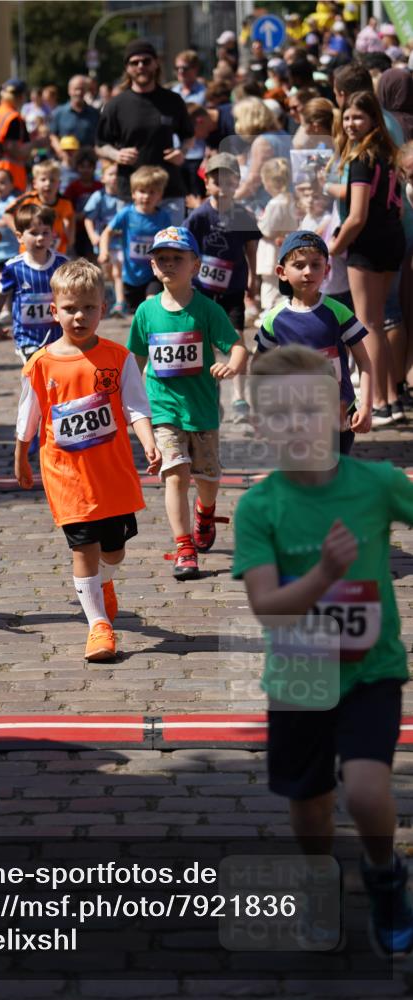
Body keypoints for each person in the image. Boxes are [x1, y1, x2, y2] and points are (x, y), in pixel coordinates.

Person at [233, 343, 413, 959]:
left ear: (342, 414)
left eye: (309, 411)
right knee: (309, 806)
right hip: (300, 671)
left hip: (372, 669)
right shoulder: (260, 508)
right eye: (278, 415)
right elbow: (266, 604)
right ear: (258, 428)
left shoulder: (379, 483)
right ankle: (317, 882)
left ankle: (385, 874)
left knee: (365, 791)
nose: (296, 426)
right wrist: (321, 576)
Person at [14, 259, 161, 662]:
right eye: (71, 308)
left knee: (114, 551)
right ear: (54, 311)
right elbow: (29, 417)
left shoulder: (118, 357)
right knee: (84, 550)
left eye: (89, 308)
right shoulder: (41, 364)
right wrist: (21, 457)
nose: (80, 316)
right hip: (66, 476)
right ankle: (99, 627)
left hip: (111, 475)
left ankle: (103, 583)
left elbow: (135, 406)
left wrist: (149, 443)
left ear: (103, 306)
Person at [127, 227, 247, 580]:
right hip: (163, 408)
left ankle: (205, 512)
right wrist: (127, 398)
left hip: (202, 410)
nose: (169, 264)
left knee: (207, 478)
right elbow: (134, 358)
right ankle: (184, 546)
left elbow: (237, 346)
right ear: (152, 265)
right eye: (162, 258)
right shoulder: (146, 311)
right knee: (175, 474)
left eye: (177, 258)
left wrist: (232, 365)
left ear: (195, 265)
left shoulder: (207, 310)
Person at [328, 89, 405, 427]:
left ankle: (377, 402)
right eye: (346, 117)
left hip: (369, 245)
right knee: (379, 322)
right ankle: (391, 399)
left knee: (367, 323)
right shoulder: (387, 152)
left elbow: (356, 216)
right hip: (391, 240)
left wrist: (330, 249)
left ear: (374, 118)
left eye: (357, 117)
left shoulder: (362, 159)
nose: (350, 123)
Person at [257, 230, 372, 454]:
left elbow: (365, 363)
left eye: (316, 265)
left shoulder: (339, 312)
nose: (308, 272)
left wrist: (366, 406)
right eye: (299, 265)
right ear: (281, 272)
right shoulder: (274, 318)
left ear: (327, 270)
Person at [183, 152, 260, 424]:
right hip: (203, 291)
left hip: (233, 291)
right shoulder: (200, 215)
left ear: (237, 182)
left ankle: (239, 397)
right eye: (216, 179)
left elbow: (251, 247)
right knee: (206, 346)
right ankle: (212, 397)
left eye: (228, 179)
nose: (222, 184)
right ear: (207, 184)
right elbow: (187, 245)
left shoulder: (244, 215)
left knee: (236, 341)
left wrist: (254, 278)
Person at [96, 39, 192, 223]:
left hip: (169, 191)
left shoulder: (173, 100)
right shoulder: (115, 105)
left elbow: (188, 135)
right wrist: (116, 154)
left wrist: (182, 152)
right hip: (131, 194)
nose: (141, 66)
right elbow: (100, 145)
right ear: (127, 68)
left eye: (146, 61)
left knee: (173, 249)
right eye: (135, 62)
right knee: (135, 252)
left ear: (156, 64)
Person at [0, 203, 67, 361]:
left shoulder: (62, 264)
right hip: (27, 339)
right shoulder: (14, 268)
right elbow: (0, 293)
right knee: (35, 376)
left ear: (53, 234)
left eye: (45, 232)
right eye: (33, 233)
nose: (40, 238)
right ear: (20, 237)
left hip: (58, 337)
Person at [98, 165, 171, 313]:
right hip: (130, 276)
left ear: (160, 195)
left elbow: (169, 242)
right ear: (133, 194)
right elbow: (107, 232)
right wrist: (103, 251)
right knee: (135, 315)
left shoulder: (163, 217)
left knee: (151, 305)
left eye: (152, 192)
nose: (146, 196)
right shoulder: (126, 214)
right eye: (142, 191)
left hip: (153, 274)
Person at [5, 160, 75, 256]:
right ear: (35, 183)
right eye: (43, 179)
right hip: (29, 252)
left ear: (59, 183)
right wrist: (21, 232)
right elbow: (7, 213)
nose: (48, 184)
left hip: (56, 252)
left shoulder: (65, 203)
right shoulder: (28, 199)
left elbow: (70, 217)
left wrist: (70, 237)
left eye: (52, 180)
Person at [83, 161, 127, 316]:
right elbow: (88, 218)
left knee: (117, 272)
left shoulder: (124, 196)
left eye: (117, 174)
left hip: (120, 242)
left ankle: (120, 303)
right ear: (102, 178)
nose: (114, 178)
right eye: (111, 174)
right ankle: (109, 300)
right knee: (107, 274)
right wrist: (93, 235)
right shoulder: (98, 196)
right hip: (103, 243)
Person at [256, 158, 297, 314]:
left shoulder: (274, 203)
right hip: (284, 245)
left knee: (270, 282)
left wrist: (258, 221)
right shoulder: (290, 199)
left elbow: (266, 229)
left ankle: (270, 309)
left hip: (271, 248)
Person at [0, 79, 31, 193]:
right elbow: (13, 149)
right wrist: (36, 143)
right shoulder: (13, 117)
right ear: (21, 96)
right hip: (10, 174)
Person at [50, 76, 100, 157]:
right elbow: (52, 136)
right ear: (69, 90)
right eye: (76, 89)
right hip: (66, 162)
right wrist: (61, 152)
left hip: (88, 164)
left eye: (82, 89)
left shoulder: (94, 113)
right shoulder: (59, 112)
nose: (79, 92)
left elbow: (99, 138)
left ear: (86, 91)